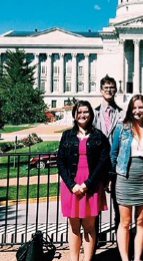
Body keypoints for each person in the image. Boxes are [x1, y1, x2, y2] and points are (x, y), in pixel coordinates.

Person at [57, 100, 110, 261]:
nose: (82, 115)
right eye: (79, 112)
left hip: (91, 184)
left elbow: (103, 162)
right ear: (74, 115)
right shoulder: (67, 135)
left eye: (86, 111)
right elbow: (60, 162)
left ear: (91, 114)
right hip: (71, 185)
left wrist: (88, 184)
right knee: (74, 227)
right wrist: (72, 185)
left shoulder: (98, 136)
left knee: (89, 226)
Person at [110, 94, 143, 261]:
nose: (138, 111)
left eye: (141, 107)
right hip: (125, 177)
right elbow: (113, 153)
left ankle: (137, 257)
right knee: (125, 221)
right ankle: (124, 258)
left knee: (141, 221)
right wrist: (113, 176)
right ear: (130, 109)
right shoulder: (121, 128)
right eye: (135, 107)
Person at [93, 74, 125, 229]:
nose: (109, 90)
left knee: (118, 204)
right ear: (100, 90)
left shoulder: (122, 113)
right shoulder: (94, 114)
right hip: (97, 164)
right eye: (106, 88)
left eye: (111, 88)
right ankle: (95, 239)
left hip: (116, 164)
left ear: (115, 90)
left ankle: (120, 242)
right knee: (95, 205)